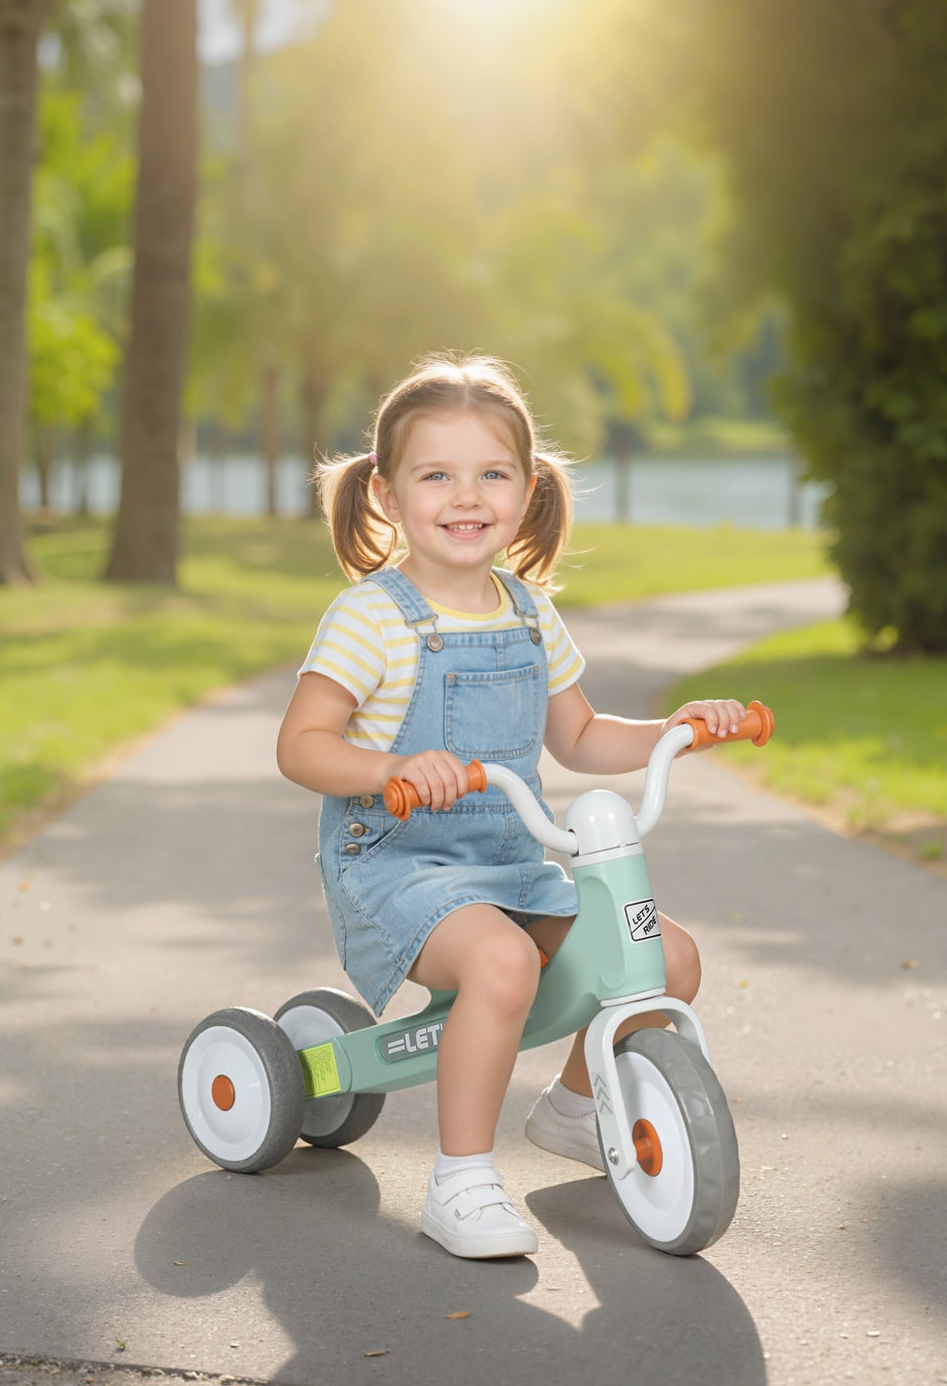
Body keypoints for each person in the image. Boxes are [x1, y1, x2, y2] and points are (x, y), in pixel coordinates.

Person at [276, 353, 746, 1260]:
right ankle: (458, 1180)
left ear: (527, 489)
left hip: (509, 860)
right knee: (499, 961)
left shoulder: (528, 612)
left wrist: (674, 729)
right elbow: (302, 746)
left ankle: (574, 1109)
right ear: (386, 491)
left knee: (665, 953)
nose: (466, 495)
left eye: (491, 472)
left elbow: (578, 737)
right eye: (436, 474)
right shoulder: (368, 616)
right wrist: (394, 767)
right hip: (396, 867)